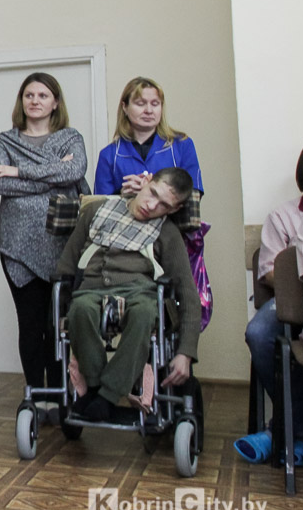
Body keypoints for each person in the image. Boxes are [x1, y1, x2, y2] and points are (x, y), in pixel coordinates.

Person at [59, 168, 200, 423]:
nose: (151, 205)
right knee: (79, 308)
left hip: (139, 292)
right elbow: (67, 264)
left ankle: (106, 396)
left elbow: (188, 293)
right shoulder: (96, 211)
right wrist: (57, 301)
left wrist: (185, 352)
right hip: (92, 289)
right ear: (145, 182)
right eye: (152, 193)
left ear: (172, 210)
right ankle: (95, 388)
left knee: (146, 313)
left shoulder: (167, 233)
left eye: (163, 205)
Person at [0, 73, 88, 422]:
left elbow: (75, 171)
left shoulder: (70, 138)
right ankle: (35, 395)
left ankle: (61, 397)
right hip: (17, 249)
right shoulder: (5, 139)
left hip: (63, 246)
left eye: (43, 95)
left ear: (55, 102)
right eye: (28, 95)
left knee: (59, 325)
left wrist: (18, 171)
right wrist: (50, 175)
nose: (35, 101)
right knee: (30, 325)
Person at [234, 144, 303, 463]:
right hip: (290, 297)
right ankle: (296, 429)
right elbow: (268, 272)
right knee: (260, 332)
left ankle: (280, 431)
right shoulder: (283, 215)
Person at [94, 77, 203, 197]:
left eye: (155, 104)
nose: (149, 110)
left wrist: (154, 189)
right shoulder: (108, 155)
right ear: (125, 107)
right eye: (140, 104)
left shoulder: (182, 145)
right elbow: (99, 207)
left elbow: (193, 197)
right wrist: (122, 195)